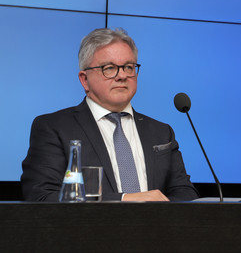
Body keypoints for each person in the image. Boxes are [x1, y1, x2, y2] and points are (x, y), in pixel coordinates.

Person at [21, 28, 199, 202]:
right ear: (85, 79)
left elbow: (185, 194)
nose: (122, 75)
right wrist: (123, 200)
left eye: (129, 67)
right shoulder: (54, 128)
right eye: (109, 68)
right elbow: (41, 197)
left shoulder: (161, 132)